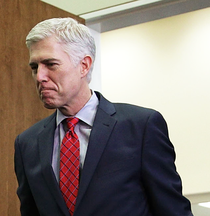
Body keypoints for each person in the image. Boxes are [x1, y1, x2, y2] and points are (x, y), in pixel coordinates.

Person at [14, 17, 193, 216]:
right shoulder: (27, 144)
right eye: (34, 67)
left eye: (51, 64)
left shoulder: (141, 127)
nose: (40, 77)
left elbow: (173, 210)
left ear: (84, 65)